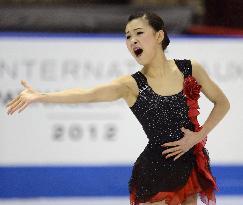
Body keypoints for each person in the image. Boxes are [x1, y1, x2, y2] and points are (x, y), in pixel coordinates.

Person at [6, 12, 230, 205]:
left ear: (159, 36)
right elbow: (88, 94)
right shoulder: (130, 85)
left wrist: (198, 136)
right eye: (127, 36)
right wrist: (41, 96)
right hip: (156, 172)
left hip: (189, 164)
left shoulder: (190, 69)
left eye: (139, 33)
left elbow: (222, 103)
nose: (132, 40)